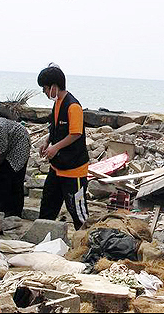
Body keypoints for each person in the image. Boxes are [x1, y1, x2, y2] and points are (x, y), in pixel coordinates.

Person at [37, 63, 90, 230]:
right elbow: (55, 127)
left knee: (77, 210)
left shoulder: (73, 106)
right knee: (48, 204)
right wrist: (47, 141)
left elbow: (75, 134)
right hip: (57, 167)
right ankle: (43, 236)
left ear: (54, 86)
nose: (44, 92)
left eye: (45, 88)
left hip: (74, 168)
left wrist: (56, 147)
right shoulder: (57, 103)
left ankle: (84, 242)